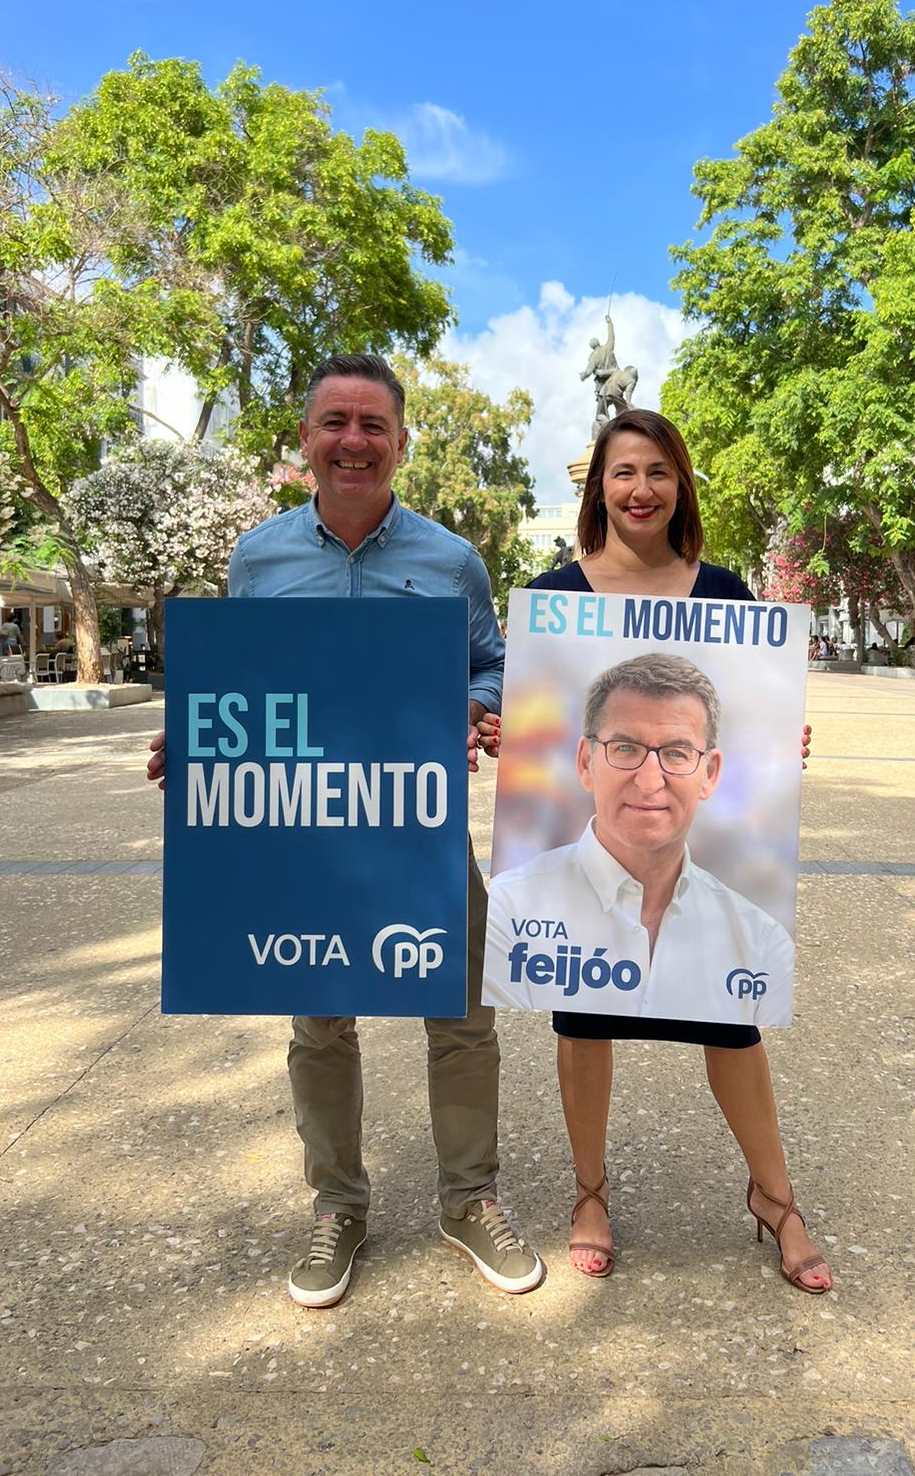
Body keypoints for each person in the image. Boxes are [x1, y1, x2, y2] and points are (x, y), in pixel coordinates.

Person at [146, 354, 543, 1310]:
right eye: (335, 422)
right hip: (306, 837)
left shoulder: (451, 561)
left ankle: (468, 1200)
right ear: (306, 442)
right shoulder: (258, 559)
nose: (353, 441)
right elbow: (243, 683)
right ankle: (339, 1207)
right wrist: (199, 730)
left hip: (420, 824)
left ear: (401, 443)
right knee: (319, 1024)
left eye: (373, 425)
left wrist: (474, 710)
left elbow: (496, 667)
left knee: (461, 1015)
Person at [478, 408, 830, 1292]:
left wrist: (779, 744)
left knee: (732, 1023)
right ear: (599, 486)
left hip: (692, 871)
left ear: (681, 486)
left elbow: (744, 729)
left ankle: (776, 1196)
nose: (641, 489)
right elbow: (539, 723)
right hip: (587, 868)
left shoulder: (724, 592)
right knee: (583, 1018)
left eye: (659, 472)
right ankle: (588, 1193)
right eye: (623, 472)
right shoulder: (556, 593)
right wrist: (504, 738)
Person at [484, 652, 794, 1021]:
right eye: (626, 748)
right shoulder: (508, 910)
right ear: (586, 762)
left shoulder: (763, 944)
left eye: (676, 753)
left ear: (709, 774)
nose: (649, 782)